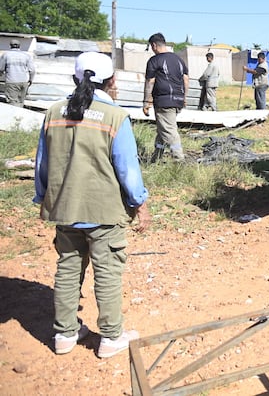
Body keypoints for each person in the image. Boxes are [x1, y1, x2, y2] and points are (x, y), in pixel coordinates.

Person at [33, 51, 151, 358]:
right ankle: (111, 337)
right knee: (108, 272)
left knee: (68, 269)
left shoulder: (54, 112)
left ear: (74, 79)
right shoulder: (114, 117)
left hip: (65, 208)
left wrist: (43, 197)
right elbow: (127, 169)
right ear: (111, 80)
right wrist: (140, 204)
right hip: (103, 212)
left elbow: (42, 165)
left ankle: (65, 334)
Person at [143, 33, 188, 161]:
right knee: (162, 128)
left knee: (169, 130)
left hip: (163, 101)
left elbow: (150, 81)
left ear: (154, 45)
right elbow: (186, 80)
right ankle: (156, 157)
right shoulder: (179, 60)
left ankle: (179, 159)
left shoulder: (154, 60)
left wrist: (146, 102)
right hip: (178, 100)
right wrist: (184, 97)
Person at [0, 39, 36, 107]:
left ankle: (13, 117)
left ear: (10, 46)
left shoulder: (6, 55)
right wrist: (31, 80)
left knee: (12, 103)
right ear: (19, 46)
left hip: (11, 82)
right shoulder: (26, 55)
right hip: (24, 82)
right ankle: (19, 117)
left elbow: (1, 69)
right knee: (20, 102)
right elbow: (32, 70)